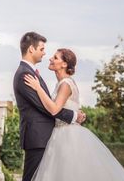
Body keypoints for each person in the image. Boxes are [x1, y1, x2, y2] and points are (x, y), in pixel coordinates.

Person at [24, 48, 124, 180]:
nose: (51, 59)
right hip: (58, 134)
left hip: (68, 136)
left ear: (64, 64)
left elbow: (54, 109)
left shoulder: (66, 84)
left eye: (55, 57)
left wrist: (38, 88)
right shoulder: (60, 83)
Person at [13, 32, 86, 181]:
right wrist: (73, 115)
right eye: (41, 49)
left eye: (55, 57)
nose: (45, 54)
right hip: (37, 137)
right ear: (31, 49)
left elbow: (51, 105)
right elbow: (45, 106)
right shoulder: (24, 74)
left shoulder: (34, 74)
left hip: (49, 137)